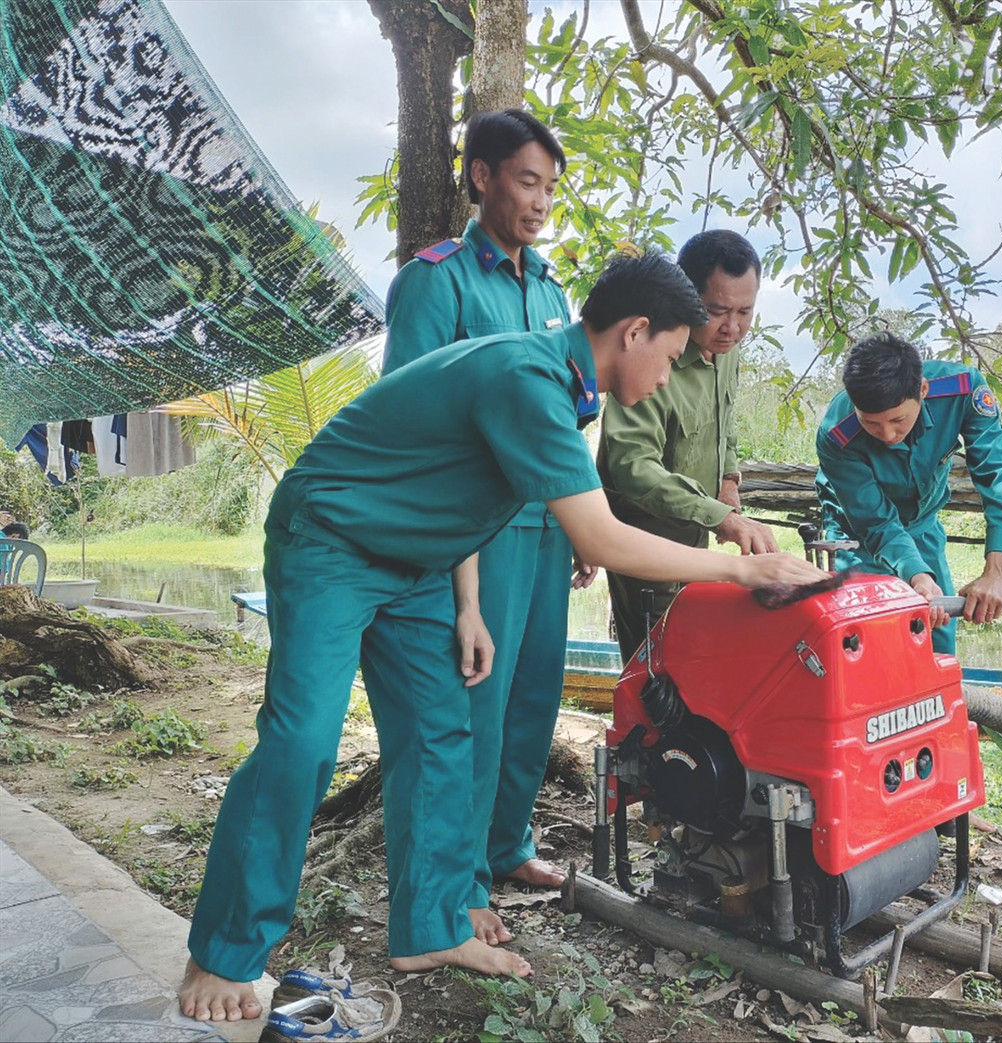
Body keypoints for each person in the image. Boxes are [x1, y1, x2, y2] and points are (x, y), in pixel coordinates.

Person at [178, 252, 827, 1023]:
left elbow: (456, 483)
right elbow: (602, 535)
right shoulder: (529, 378)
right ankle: (223, 950)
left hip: (420, 560)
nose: (667, 376)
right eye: (671, 357)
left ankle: (430, 925)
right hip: (333, 539)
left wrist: (468, 605)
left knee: (442, 734)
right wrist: (741, 571)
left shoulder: (563, 384)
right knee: (302, 739)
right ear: (635, 330)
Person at [380, 110, 574, 915]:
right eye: (527, 181)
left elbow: (561, 415)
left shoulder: (554, 291)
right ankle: (456, 889)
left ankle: (508, 846)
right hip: (478, 534)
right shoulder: (439, 279)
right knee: (476, 706)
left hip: (550, 528)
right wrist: (460, 590)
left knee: (533, 698)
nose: (540, 202)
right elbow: (417, 426)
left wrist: (578, 520)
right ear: (482, 175)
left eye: (550, 187)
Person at [597, 230, 778, 661]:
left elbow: (724, 423)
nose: (732, 327)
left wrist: (729, 480)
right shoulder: (651, 354)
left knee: (701, 667)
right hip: (646, 543)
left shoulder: (727, 349)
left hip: (697, 540)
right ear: (688, 296)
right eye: (717, 311)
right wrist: (722, 519)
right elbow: (631, 466)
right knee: (658, 674)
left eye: (745, 311)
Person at [815, 332, 1002, 653]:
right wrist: (917, 577)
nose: (887, 435)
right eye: (871, 423)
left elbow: (998, 475)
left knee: (936, 640)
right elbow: (876, 522)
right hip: (857, 533)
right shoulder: (835, 434)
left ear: (923, 390)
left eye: (898, 419)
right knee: (866, 641)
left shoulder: (963, 390)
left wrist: (997, 571)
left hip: (922, 525)